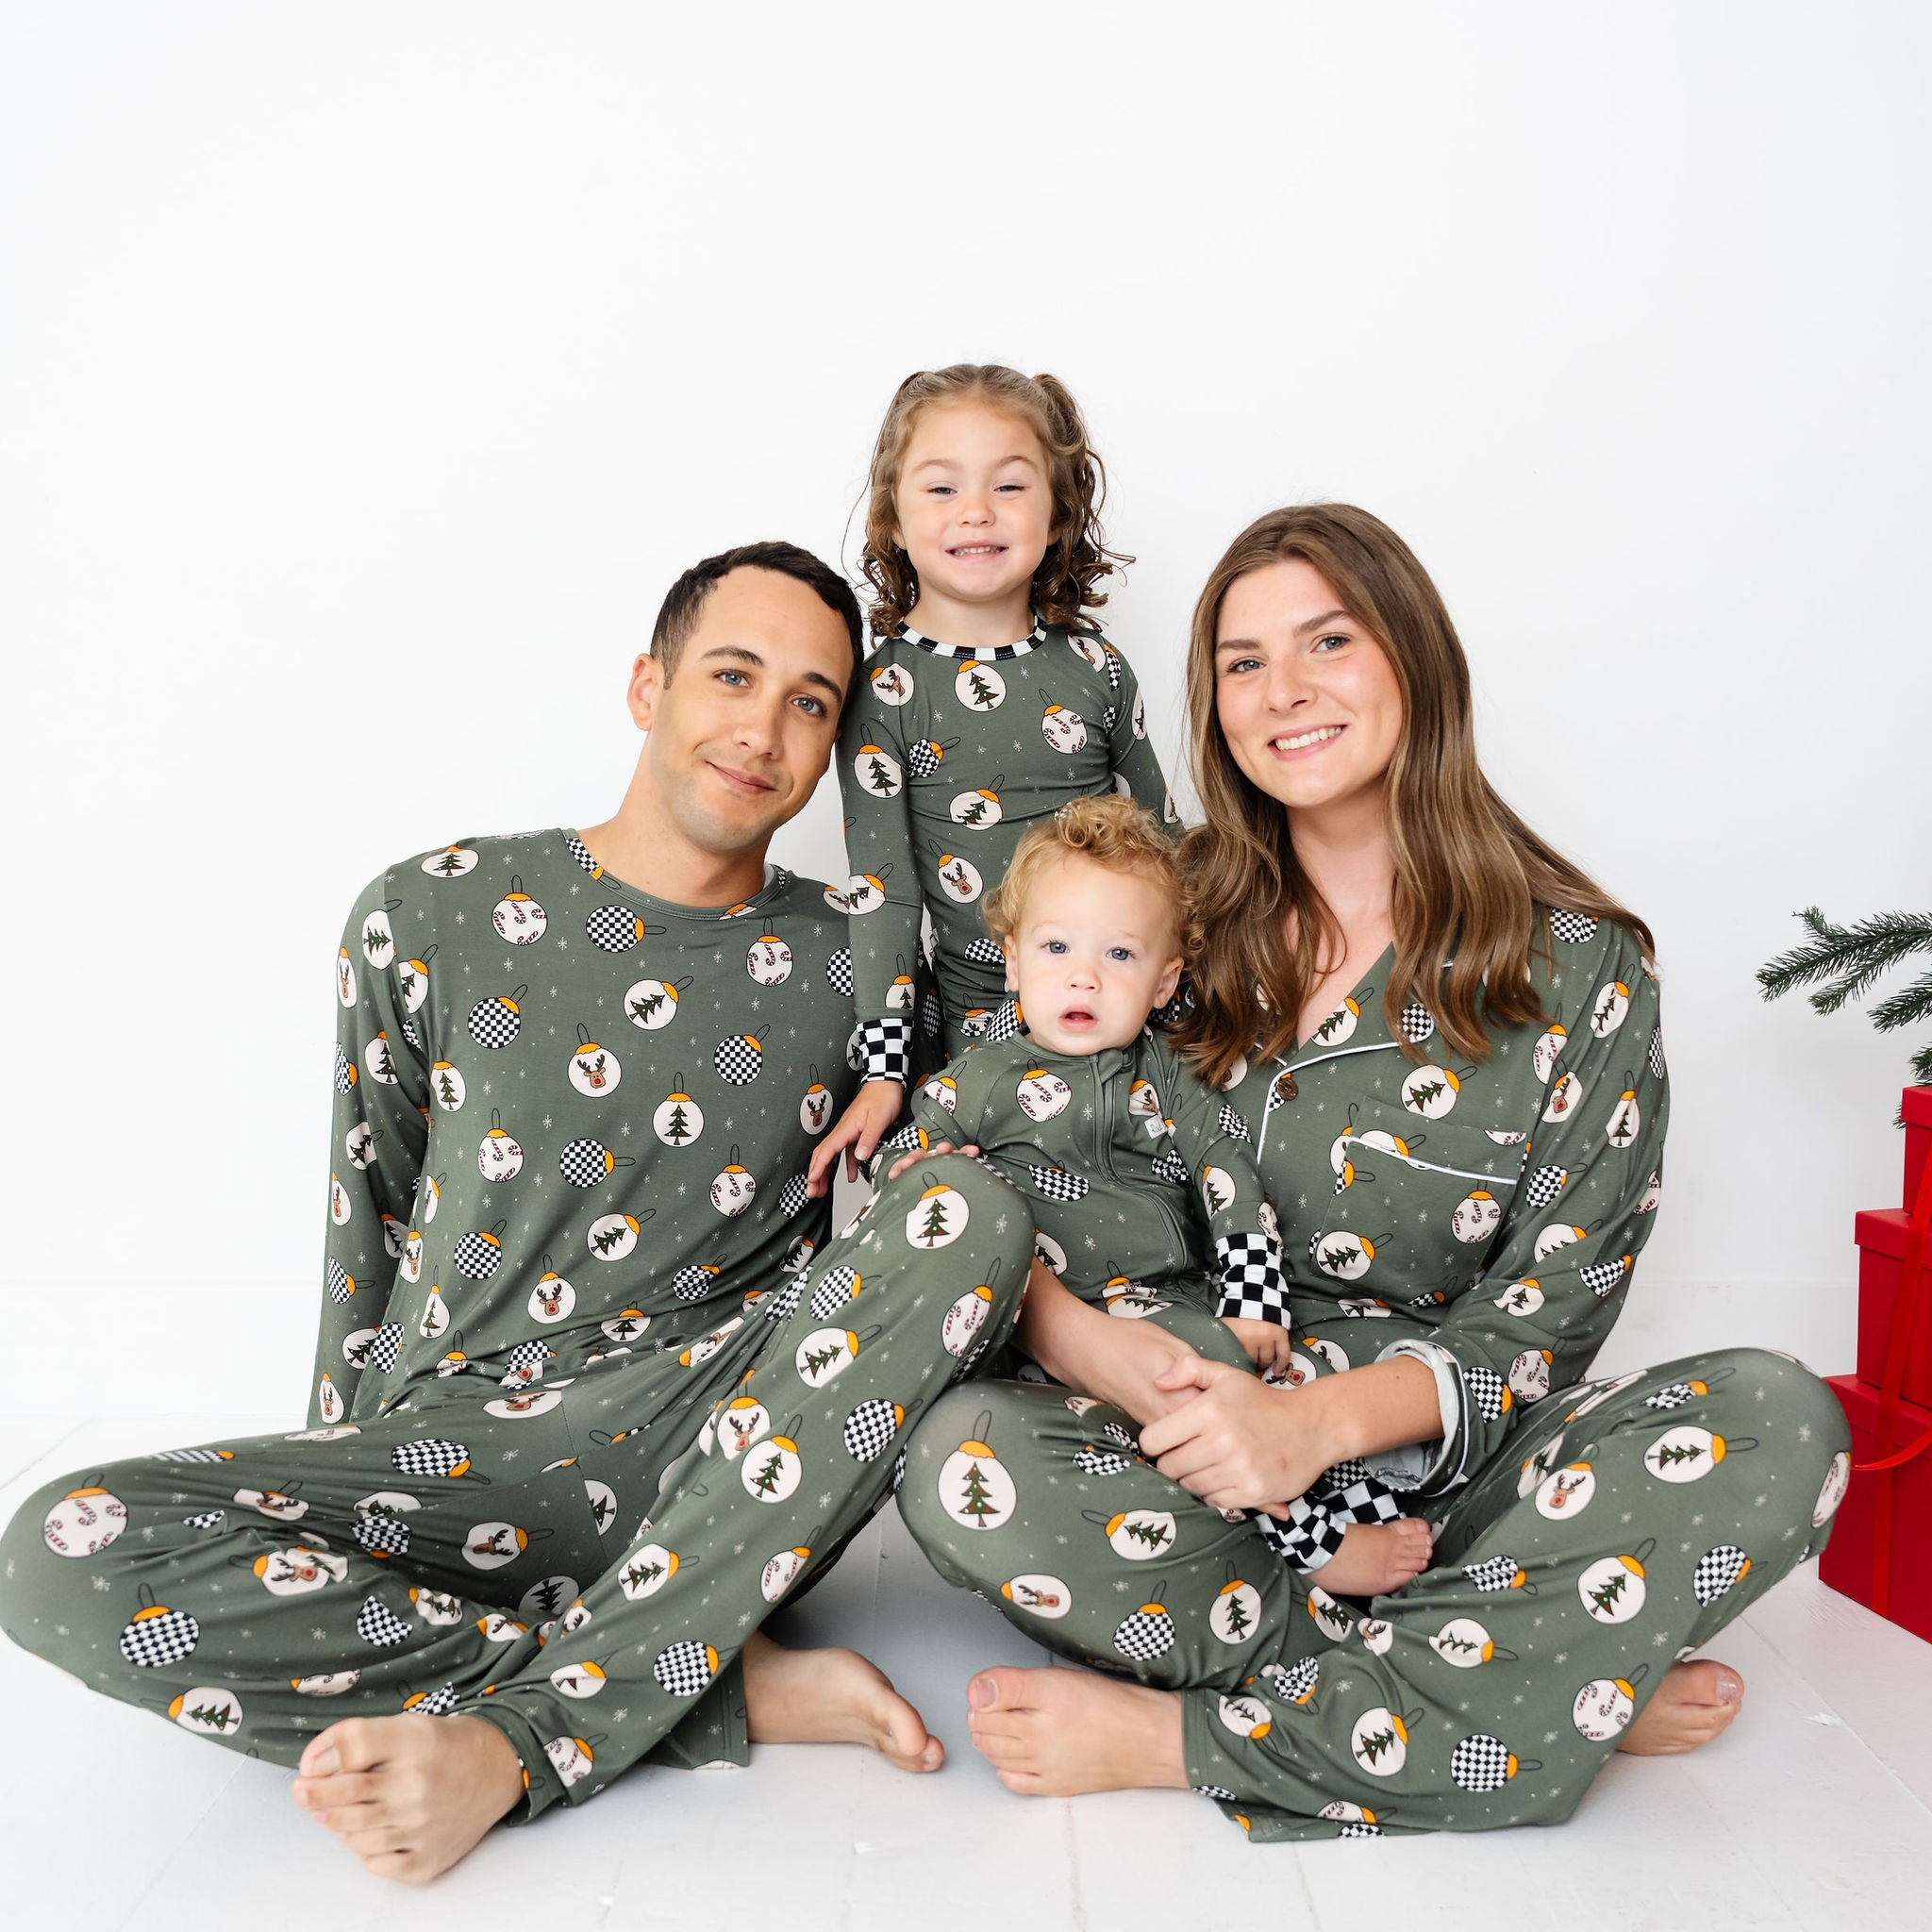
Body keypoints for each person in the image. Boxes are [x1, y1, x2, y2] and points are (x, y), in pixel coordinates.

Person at [0, 541, 1032, 1883]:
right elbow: (360, 1221)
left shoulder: (860, 956)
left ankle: (537, 1730)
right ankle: (695, 1691)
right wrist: (338, 1490)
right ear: (646, 686)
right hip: (446, 1455)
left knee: (972, 1205)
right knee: (53, 1550)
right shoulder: (428, 914)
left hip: (708, 1471)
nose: (765, 729)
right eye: (733, 675)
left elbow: (1053, 1066)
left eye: (812, 703)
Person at [896, 504, 1853, 1839]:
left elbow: (1547, 1322)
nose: (1282, 692)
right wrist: (1093, 1350)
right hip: (1194, 1466)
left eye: (1327, 642)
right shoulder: (1161, 937)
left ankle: (1200, 1737)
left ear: (1414, 659)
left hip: (1458, 1484)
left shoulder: (1581, 967)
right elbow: (1001, 1152)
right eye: (1239, 663)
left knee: (1781, 1422)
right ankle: (1535, 1681)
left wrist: (1319, 1430)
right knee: (956, 1453)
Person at [893, 792, 1431, 1594]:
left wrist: (1256, 1304)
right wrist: (929, 1171)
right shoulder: (981, 1077)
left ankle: (1310, 1515)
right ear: (1011, 962)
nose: (1083, 975)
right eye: (1055, 947)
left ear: (1163, 979)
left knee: (1226, 1372)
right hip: (1028, 1328)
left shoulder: (1169, 1076)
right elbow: (912, 1157)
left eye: (1119, 956)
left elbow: (1227, 1178)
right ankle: (1310, 1543)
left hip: (1161, 1303)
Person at [810, 364, 1175, 1194]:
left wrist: (1191, 995)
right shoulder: (885, 693)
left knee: (1140, 1192)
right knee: (986, 1202)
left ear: (1057, 517)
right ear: (895, 519)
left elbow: (1164, 845)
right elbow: (884, 891)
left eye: (1009, 484)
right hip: (980, 1022)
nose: (976, 510)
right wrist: (884, 1068)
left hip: (1122, 1007)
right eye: (942, 488)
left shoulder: (1095, 670)